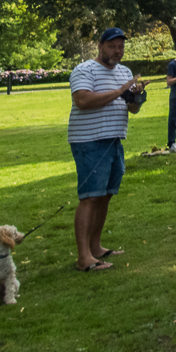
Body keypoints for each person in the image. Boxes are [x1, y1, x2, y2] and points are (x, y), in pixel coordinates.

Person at [67, 27, 147, 272]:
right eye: (112, 46)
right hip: (89, 141)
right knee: (90, 197)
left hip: (114, 141)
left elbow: (132, 110)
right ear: (100, 46)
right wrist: (120, 91)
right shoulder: (84, 70)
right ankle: (83, 258)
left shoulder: (125, 72)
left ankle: (96, 247)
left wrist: (136, 96)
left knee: (105, 195)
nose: (117, 51)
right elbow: (82, 100)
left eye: (121, 47)